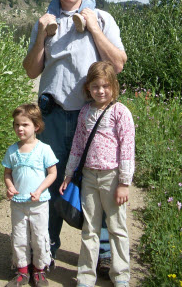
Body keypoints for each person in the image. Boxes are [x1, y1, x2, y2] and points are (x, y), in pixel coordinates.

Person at [22, 0, 127, 277]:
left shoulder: (101, 18)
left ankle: (103, 255)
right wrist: (42, 35)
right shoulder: (46, 22)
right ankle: (46, 250)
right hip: (52, 114)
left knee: (99, 186)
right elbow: (31, 70)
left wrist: (94, 28)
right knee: (51, 184)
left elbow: (118, 63)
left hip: (91, 118)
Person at [59, 61, 135, 287]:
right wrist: (69, 174)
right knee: (89, 228)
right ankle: (85, 277)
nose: (101, 91)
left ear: (114, 86)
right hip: (89, 178)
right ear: (88, 88)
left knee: (117, 227)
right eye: (95, 87)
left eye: (105, 86)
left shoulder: (120, 112)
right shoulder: (85, 112)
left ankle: (121, 275)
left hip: (112, 177)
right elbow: (77, 145)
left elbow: (127, 148)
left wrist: (124, 182)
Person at [2, 103, 58, 287]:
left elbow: (52, 173)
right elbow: (8, 173)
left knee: (40, 237)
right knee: (19, 237)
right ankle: (22, 270)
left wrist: (40, 190)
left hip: (39, 203)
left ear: (36, 126)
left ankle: (40, 270)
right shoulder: (12, 150)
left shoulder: (44, 149)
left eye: (25, 124)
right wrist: (10, 187)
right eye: (17, 124)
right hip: (18, 204)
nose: (20, 128)